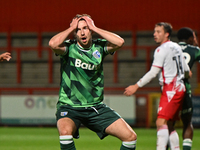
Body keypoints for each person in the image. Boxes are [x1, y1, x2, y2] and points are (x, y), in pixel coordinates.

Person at [49, 14, 137, 150]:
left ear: (91, 31)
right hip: (69, 106)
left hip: (95, 107)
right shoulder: (69, 48)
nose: (82, 32)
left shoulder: (99, 47)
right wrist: (71, 27)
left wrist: (95, 27)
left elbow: (120, 42)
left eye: (86, 28)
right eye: (78, 29)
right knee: (65, 133)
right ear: (75, 33)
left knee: (130, 138)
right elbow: (53, 44)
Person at [124, 22, 190, 150]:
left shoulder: (161, 49)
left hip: (171, 88)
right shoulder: (176, 47)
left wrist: (136, 86)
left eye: (158, 32)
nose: (155, 34)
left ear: (167, 34)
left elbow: (153, 72)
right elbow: (187, 70)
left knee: (160, 122)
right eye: (154, 31)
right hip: (180, 87)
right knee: (170, 126)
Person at [174, 27, 199, 150]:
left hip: (169, 89)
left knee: (168, 124)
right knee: (187, 123)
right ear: (190, 38)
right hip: (184, 88)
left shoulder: (170, 48)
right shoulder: (194, 49)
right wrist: (196, 46)